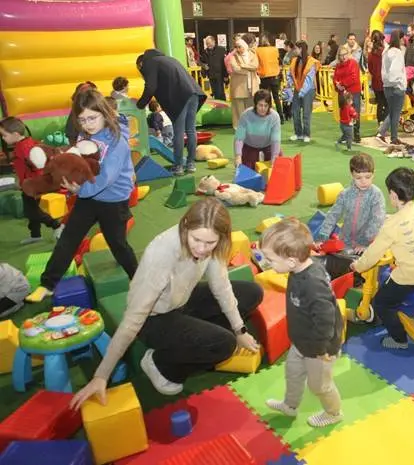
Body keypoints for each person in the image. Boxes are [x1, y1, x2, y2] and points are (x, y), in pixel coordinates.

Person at [70, 198, 262, 408]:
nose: (201, 248)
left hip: (180, 301)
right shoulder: (162, 252)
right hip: (152, 318)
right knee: (224, 344)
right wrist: (101, 375)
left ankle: (200, 341)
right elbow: (133, 318)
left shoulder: (213, 245)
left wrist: (240, 330)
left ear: (220, 238)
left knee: (252, 293)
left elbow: (222, 287)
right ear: (186, 225)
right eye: (196, 239)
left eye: (209, 243)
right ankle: (161, 364)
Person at [26, 89, 139, 303]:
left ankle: (137, 277)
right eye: (82, 119)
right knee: (69, 238)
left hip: (113, 200)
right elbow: (78, 163)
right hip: (88, 198)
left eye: (92, 118)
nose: (87, 124)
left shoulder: (117, 142)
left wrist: (80, 190)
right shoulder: (84, 136)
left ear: (105, 114)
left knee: (117, 243)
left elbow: (107, 177)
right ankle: (48, 284)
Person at [261, 218, 344, 428]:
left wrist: (320, 350)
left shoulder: (312, 283)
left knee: (319, 386)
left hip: (319, 348)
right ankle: (290, 405)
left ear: (290, 260)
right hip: (301, 340)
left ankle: (333, 413)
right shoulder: (297, 269)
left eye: (270, 259)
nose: (267, 263)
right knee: (293, 373)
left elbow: (326, 319)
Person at [351, 168, 414, 350]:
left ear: (392, 194)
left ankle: (399, 339)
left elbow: (373, 254)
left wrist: (358, 266)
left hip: (410, 274)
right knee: (398, 283)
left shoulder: (392, 224)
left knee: (382, 302)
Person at [136, 49, 207, 176]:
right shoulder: (168, 59)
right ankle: (190, 164)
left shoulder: (149, 63)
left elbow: (150, 87)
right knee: (190, 130)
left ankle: (178, 166)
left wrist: (140, 105)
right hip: (194, 93)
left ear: (141, 64)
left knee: (178, 131)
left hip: (180, 97)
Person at [0, 117, 63, 245]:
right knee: (32, 210)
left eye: (4, 135)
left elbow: (37, 167)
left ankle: (56, 225)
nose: (3, 138)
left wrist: (32, 184)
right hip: (28, 184)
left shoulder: (25, 148)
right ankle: (35, 235)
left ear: (15, 134)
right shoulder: (23, 144)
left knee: (31, 211)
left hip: (33, 185)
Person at [317, 153, 386, 253]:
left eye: (368, 177)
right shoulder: (345, 194)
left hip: (367, 243)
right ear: (352, 175)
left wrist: (365, 242)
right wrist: (322, 237)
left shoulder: (376, 195)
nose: (363, 181)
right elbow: (332, 215)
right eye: (358, 178)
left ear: (373, 174)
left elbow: (377, 220)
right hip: (345, 241)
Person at [234, 90, 281, 170]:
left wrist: (274, 158)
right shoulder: (246, 115)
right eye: (260, 105)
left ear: (269, 105)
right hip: (250, 146)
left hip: (268, 146)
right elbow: (239, 138)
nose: (263, 108)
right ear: (255, 104)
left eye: (266, 106)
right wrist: (238, 156)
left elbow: (275, 140)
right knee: (247, 171)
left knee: (278, 167)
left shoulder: (274, 117)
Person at [287, 41, 320, 143]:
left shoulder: (312, 62)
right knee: (295, 112)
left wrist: (301, 92)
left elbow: (309, 80)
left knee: (306, 114)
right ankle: (298, 133)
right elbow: (290, 74)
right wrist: (290, 84)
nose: (294, 50)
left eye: (296, 48)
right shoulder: (294, 60)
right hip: (297, 89)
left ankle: (306, 134)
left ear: (301, 49)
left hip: (308, 91)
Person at [380, 30, 407, 146]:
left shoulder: (386, 52)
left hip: (387, 87)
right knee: (395, 114)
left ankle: (381, 132)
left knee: (392, 112)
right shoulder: (397, 52)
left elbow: (384, 70)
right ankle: (393, 138)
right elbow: (395, 70)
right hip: (396, 87)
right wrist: (398, 82)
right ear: (399, 39)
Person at [226, 39, 260, 129]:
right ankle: (238, 126)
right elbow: (236, 68)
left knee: (251, 106)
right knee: (238, 107)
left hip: (251, 85)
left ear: (244, 46)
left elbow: (255, 66)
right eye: (236, 47)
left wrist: (243, 65)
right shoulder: (233, 57)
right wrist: (249, 69)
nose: (237, 49)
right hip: (238, 86)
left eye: (239, 47)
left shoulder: (252, 54)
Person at [333, 44, 362, 144]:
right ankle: (346, 135)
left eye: (344, 54)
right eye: (341, 55)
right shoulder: (338, 65)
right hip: (342, 93)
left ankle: (356, 134)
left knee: (354, 112)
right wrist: (337, 84)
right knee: (344, 115)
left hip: (353, 92)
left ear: (348, 54)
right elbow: (335, 77)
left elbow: (353, 78)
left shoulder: (353, 63)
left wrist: (342, 84)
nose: (343, 57)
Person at [256, 33, 284, 121]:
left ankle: (268, 116)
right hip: (275, 76)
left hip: (264, 76)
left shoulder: (257, 50)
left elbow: (257, 63)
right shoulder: (274, 49)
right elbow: (279, 61)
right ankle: (281, 117)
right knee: (276, 97)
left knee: (265, 98)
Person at [200, 35, 228, 101]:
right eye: (206, 43)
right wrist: (204, 66)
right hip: (211, 75)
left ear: (214, 41)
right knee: (215, 92)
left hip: (220, 75)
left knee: (220, 93)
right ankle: (218, 107)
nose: (208, 45)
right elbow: (202, 62)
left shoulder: (221, 49)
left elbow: (225, 63)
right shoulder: (205, 51)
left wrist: (226, 75)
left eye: (209, 43)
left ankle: (223, 108)